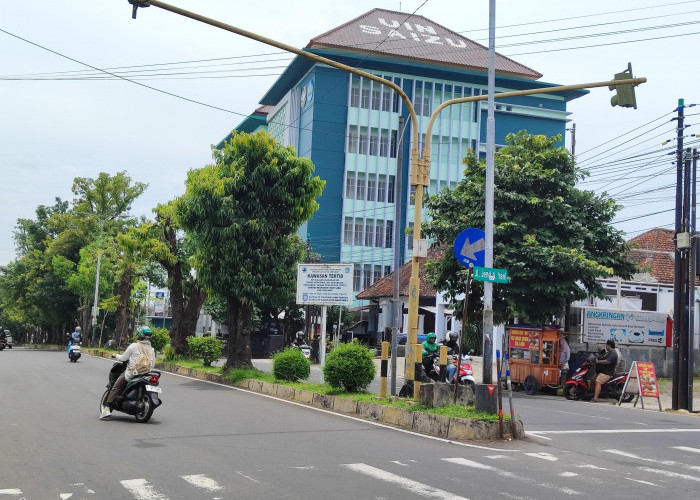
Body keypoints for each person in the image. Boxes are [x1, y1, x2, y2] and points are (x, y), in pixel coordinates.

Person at [100, 326, 156, 419]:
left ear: (139, 336)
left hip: (132, 374)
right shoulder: (152, 349)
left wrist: (115, 355)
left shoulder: (134, 346)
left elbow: (123, 358)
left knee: (116, 387)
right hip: (146, 375)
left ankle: (106, 409)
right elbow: (153, 364)